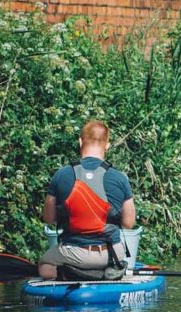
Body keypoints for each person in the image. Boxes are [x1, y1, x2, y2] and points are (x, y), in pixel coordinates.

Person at [39, 120, 135, 280]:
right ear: (107, 145)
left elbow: (48, 218)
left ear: (80, 141)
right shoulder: (120, 178)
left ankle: (71, 274)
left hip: (73, 253)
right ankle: (104, 273)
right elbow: (128, 223)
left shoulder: (61, 175)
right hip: (111, 254)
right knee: (118, 251)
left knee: (44, 265)